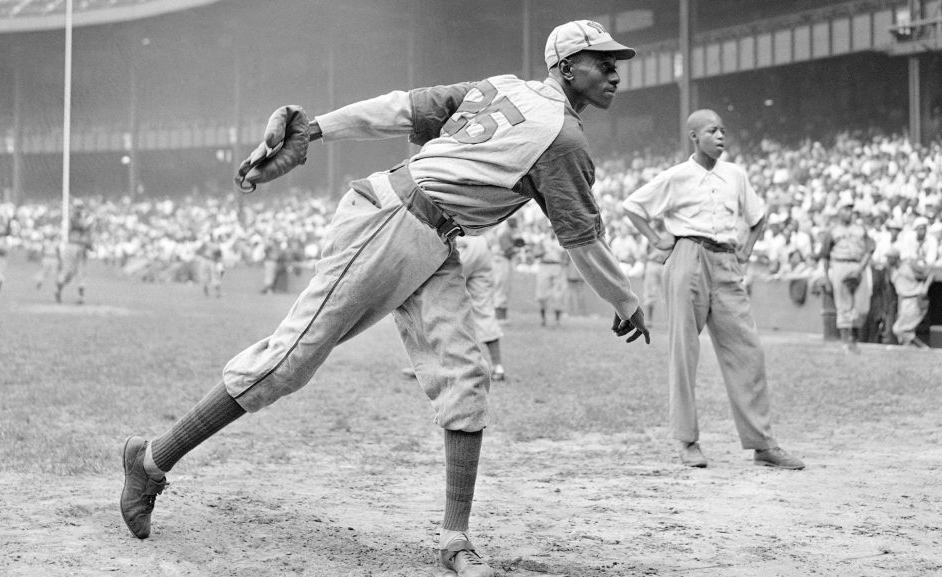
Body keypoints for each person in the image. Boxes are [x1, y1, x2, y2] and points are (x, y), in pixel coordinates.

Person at [119, 20, 649, 577]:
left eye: (616, 61)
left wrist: (316, 128)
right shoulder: (562, 138)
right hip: (391, 221)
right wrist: (625, 301)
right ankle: (150, 459)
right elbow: (582, 240)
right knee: (287, 362)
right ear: (566, 67)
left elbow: (400, 108)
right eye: (601, 60)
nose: (615, 70)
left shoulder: (501, 88)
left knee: (466, 376)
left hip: (434, 239)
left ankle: (455, 539)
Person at [622, 109, 804, 471]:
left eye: (723, 130)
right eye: (711, 130)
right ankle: (687, 441)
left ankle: (762, 444)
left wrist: (748, 248)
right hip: (688, 255)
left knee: (748, 350)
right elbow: (633, 206)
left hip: (726, 261)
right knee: (684, 351)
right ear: (694, 136)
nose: (720, 136)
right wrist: (657, 238)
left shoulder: (735, 174)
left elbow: (758, 215)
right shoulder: (677, 176)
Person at [402, 234, 507, 381]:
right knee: (484, 309)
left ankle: (430, 366)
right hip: (480, 243)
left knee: (431, 303)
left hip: (456, 239)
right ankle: (498, 366)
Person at [818, 197, 875, 353]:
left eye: (850, 209)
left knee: (861, 307)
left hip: (858, 265)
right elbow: (824, 255)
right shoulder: (833, 230)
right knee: (843, 305)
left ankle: (854, 340)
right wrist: (826, 275)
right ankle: (846, 342)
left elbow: (870, 249)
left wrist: (861, 268)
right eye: (845, 209)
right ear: (839, 211)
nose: (848, 212)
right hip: (840, 264)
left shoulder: (860, 229)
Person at [56, 199, 95, 305]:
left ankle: (81, 297)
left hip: (80, 247)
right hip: (72, 246)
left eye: (80, 207)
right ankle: (59, 289)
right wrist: (89, 223)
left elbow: (87, 234)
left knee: (81, 272)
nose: (79, 209)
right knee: (68, 273)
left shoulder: (82, 218)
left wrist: (90, 244)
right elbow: (81, 227)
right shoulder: (72, 218)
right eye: (78, 207)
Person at [891, 257, 935, 348]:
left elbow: (928, 273)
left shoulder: (908, 266)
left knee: (898, 329)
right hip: (903, 300)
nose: (888, 260)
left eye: (890, 258)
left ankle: (923, 347)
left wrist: (925, 286)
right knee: (905, 331)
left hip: (914, 299)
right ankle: (913, 349)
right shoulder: (893, 271)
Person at [490, 217, 524, 322]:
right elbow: (507, 251)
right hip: (501, 261)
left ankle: (500, 316)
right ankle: (500, 317)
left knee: (503, 287)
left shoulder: (507, 232)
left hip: (503, 261)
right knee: (501, 286)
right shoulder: (504, 233)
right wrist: (516, 249)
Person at [533, 226, 568, 327]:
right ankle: (543, 319)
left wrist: (564, 263)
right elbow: (535, 254)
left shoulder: (562, 241)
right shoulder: (543, 241)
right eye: (551, 228)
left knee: (559, 294)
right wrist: (544, 250)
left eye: (554, 228)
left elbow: (567, 256)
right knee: (542, 294)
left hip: (557, 266)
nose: (553, 230)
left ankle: (557, 320)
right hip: (545, 265)